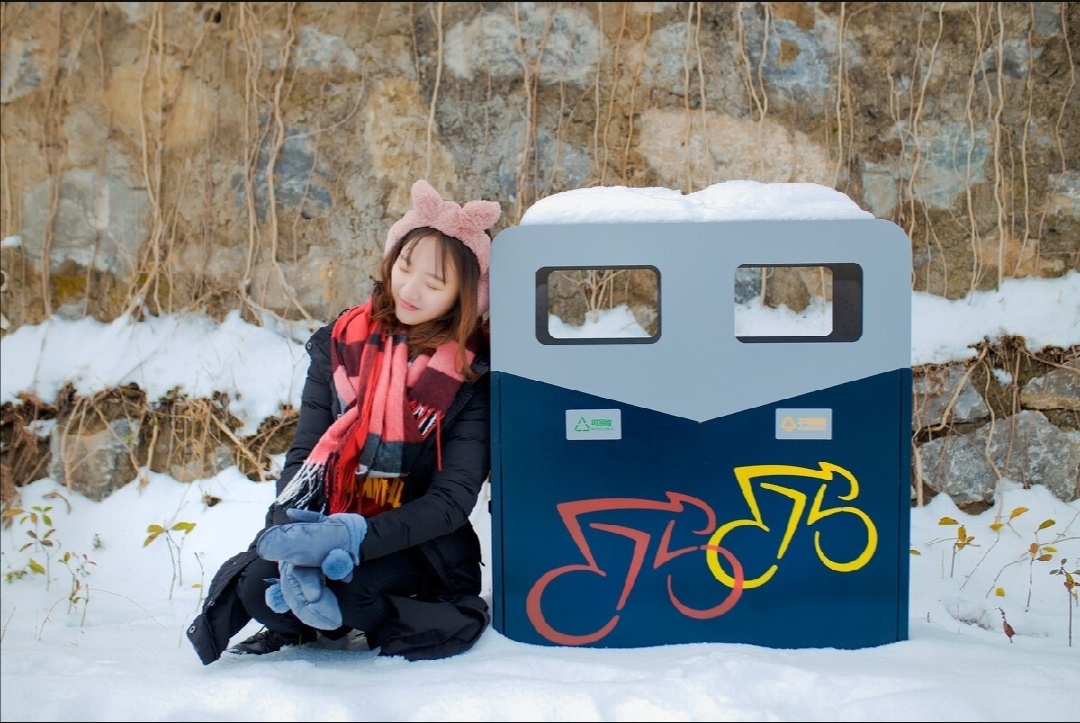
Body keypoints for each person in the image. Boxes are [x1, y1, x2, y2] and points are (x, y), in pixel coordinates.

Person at [186, 179, 502, 663]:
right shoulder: (340, 343)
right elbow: (304, 452)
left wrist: (351, 538)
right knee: (255, 586)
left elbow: (450, 501)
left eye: (434, 283)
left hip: (420, 546)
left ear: (465, 296)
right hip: (326, 515)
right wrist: (299, 532)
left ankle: (355, 611)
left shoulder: (469, 373)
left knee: (353, 589)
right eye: (404, 266)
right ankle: (307, 616)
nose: (410, 289)